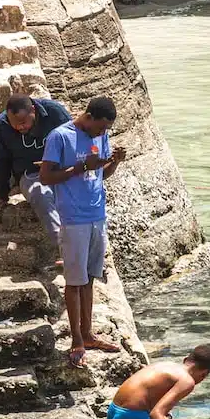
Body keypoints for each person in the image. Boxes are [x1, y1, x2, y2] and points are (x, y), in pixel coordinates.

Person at [40, 96, 126, 366]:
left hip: (97, 215)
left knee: (89, 278)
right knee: (74, 281)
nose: (103, 134)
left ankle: (88, 333)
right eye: (100, 128)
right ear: (88, 117)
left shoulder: (100, 135)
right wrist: (80, 167)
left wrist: (115, 162)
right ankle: (76, 338)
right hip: (73, 217)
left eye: (106, 130)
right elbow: (45, 177)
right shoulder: (60, 136)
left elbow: (101, 174)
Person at [0, 94, 71, 245]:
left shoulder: (55, 113)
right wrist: (2, 194)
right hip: (32, 175)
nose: (20, 127)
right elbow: (0, 162)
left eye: (23, 122)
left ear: (33, 110)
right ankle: (64, 247)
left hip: (62, 169)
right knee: (41, 195)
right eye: (15, 124)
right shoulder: (1, 126)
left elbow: (74, 142)